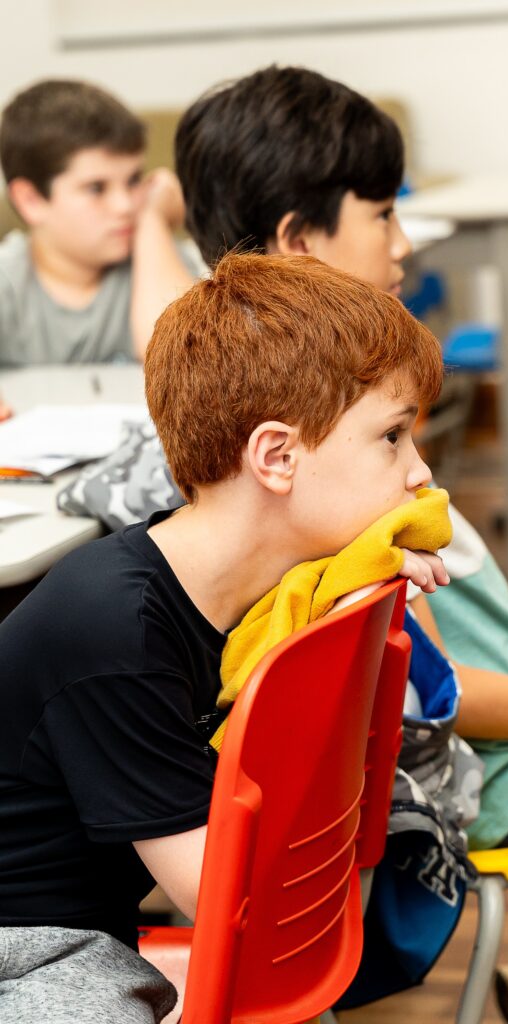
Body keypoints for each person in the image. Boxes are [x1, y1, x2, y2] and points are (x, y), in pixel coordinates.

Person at [59, 66, 508, 1021]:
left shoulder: (344, 441)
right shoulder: (326, 493)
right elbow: (446, 691)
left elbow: (473, 646)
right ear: (300, 243)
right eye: (384, 215)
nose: (403, 243)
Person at [0, 250, 448, 1021]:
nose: (418, 473)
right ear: (276, 456)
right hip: (29, 945)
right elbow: (227, 898)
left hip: (97, 931)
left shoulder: (280, 591)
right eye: (391, 437)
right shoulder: (113, 631)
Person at [0, 78, 198, 372]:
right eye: (96, 188)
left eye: (133, 181)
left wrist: (153, 220)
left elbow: (185, 362)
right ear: (31, 200)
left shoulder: (156, 258)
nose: (126, 206)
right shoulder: (9, 282)